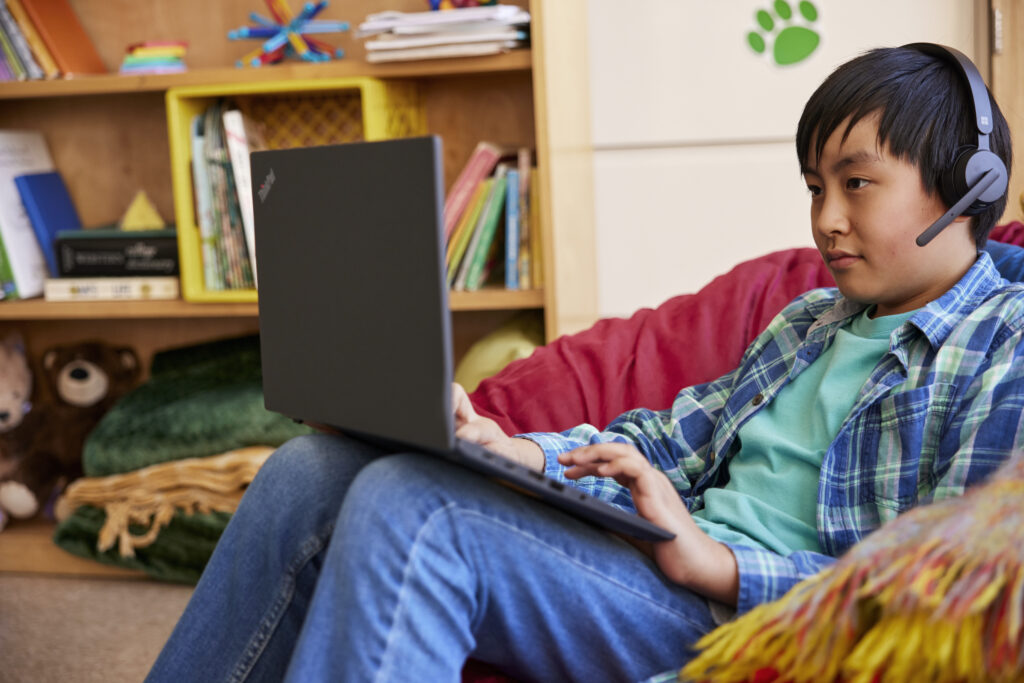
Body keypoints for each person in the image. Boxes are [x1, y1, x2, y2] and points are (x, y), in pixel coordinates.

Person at [146, 44, 1024, 683]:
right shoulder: (808, 320)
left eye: (856, 184)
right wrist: (512, 449)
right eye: (813, 188)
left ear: (969, 186)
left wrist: (717, 563)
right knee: (315, 468)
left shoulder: (1002, 344)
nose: (825, 219)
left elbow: (936, 590)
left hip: (752, 622)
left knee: (416, 512)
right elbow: (665, 441)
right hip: (653, 571)